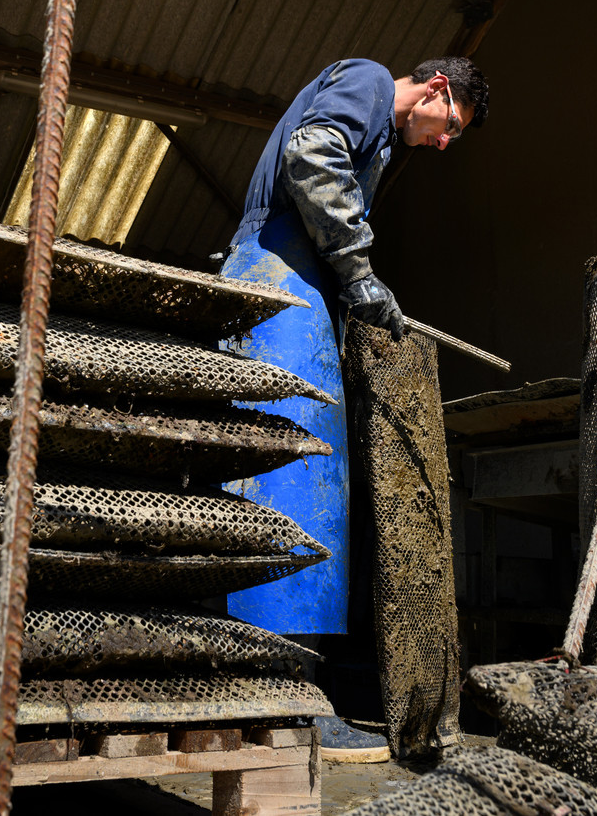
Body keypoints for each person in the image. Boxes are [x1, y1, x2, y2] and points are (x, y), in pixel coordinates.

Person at [219, 56, 487, 758]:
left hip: (297, 291)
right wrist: (360, 273)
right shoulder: (370, 81)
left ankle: (288, 689)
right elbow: (311, 155)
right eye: (450, 124)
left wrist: (355, 286)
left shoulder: (378, 138)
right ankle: (280, 699)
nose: (444, 143)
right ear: (434, 89)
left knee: (311, 497)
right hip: (276, 285)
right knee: (287, 496)